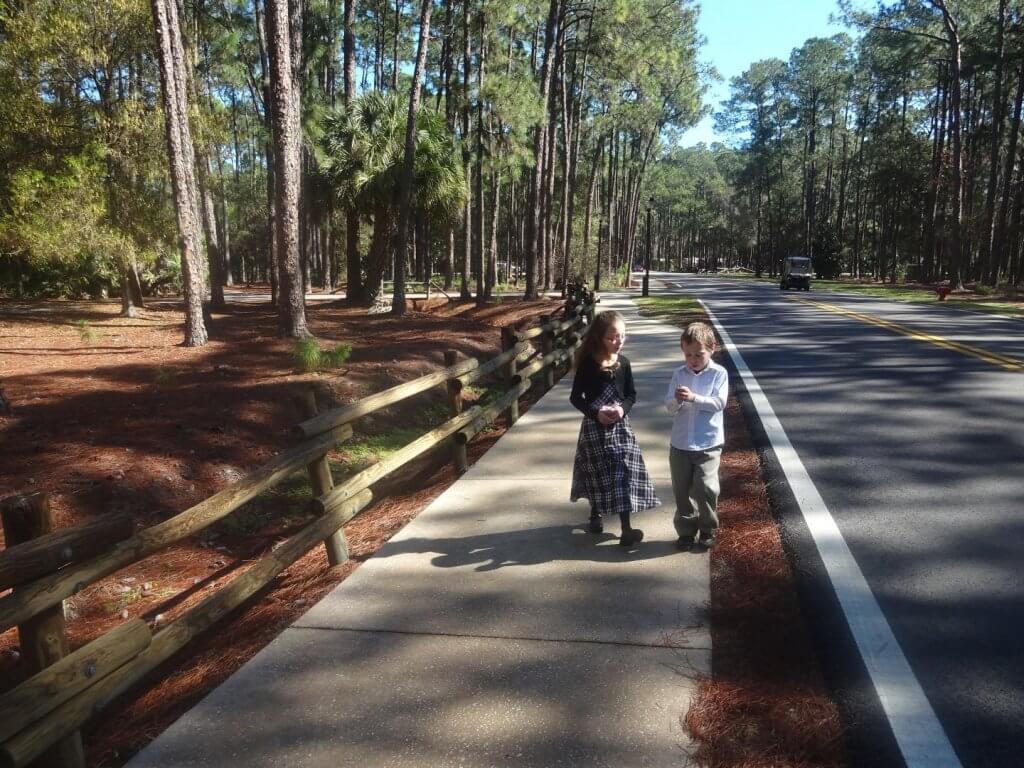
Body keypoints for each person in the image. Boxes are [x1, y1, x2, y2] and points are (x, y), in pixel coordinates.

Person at [570, 310, 659, 547]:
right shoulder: (588, 365)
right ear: (600, 337)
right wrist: (596, 413)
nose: (619, 341)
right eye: (613, 337)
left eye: (623, 336)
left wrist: (622, 410)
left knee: (622, 473)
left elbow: (631, 395)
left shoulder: (625, 363)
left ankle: (626, 528)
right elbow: (576, 398)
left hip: (620, 428)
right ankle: (595, 513)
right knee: (597, 472)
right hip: (594, 428)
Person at [665, 321, 728, 551]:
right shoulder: (679, 374)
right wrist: (678, 400)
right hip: (680, 443)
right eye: (688, 354)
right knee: (681, 491)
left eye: (699, 354)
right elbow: (669, 406)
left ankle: (707, 528)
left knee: (705, 488)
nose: (693, 359)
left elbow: (719, 403)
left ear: (712, 349)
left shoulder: (719, 374)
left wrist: (694, 398)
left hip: (708, 443)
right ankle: (685, 531)